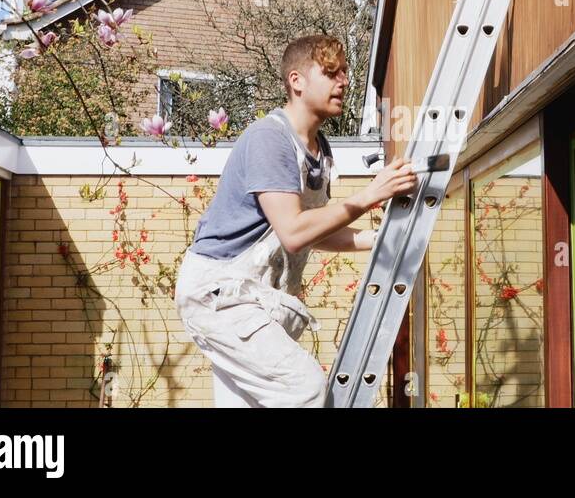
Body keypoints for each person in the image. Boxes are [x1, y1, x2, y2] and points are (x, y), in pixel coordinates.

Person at [174, 34, 417, 407]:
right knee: (305, 389)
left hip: (255, 297)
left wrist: (378, 239)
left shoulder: (321, 149)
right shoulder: (270, 140)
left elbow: (313, 231)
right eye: (331, 72)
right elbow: (292, 232)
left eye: (346, 73)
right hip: (221, 295)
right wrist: (370, 195)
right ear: (296, 81)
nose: (344, 81)